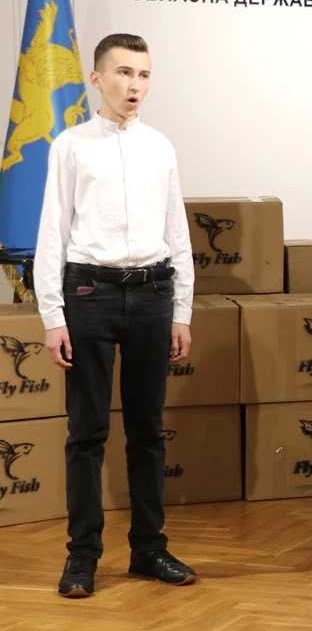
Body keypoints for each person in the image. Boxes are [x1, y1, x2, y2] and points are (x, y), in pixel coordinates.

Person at [34, 33, 197, 597]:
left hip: (152, 293)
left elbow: (177, 232)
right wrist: (52, 316)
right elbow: (52, 232)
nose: (135, 85)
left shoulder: (160, 147)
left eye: (144, 74)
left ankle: (149, 549)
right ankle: (82, 557)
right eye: (124, 73)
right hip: (89, 295)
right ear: (97, 78)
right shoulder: (70, 146)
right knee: (87, 432)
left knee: (148, 430)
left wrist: (182, 311)